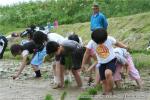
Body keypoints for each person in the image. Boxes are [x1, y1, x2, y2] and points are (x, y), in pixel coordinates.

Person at [81, 29, 128, 95]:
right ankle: (108, 93)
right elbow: (86, 53)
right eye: (98, 43)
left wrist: (125, 47)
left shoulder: (109, 39)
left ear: (106, 38)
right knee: (103, 81)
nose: (100, 44)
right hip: (101, 63)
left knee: (108, 73)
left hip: (111, 60)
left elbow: (117, 43)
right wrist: (82, 64)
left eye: (102, 42)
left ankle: (110, 90)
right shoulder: (91, 42)